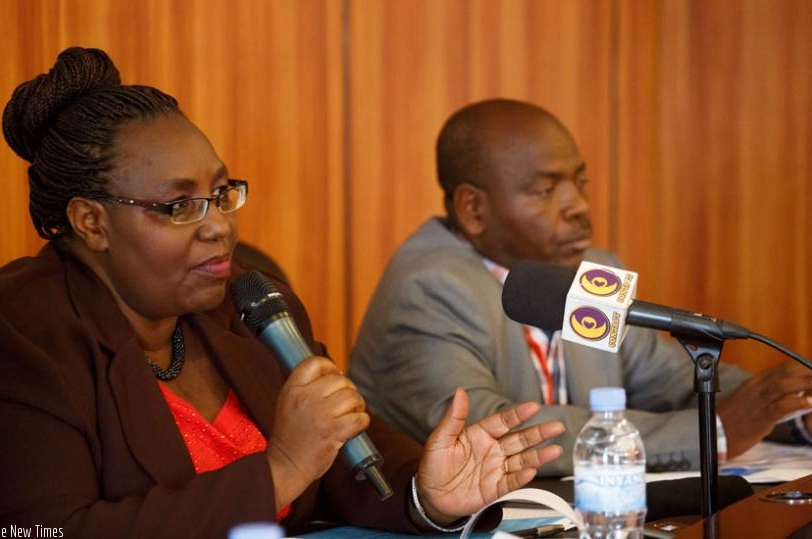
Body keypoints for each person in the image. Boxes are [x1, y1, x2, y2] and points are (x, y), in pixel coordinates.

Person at [0, 50, 567, 537]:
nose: (219, 226)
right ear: (91, 223)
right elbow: (47, 529)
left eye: (222, 194)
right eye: (180, 206)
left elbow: (347, 464)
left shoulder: (253, 307)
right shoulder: (17, 332)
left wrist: (427, 493)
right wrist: (279, 471)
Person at [348, 98, 812, 477]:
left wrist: (792, 409)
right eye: (546, 190)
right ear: (473, 209)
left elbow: (672, 382)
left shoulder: (587, 269)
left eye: (580, 182)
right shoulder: (429, 288)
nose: (579, 205)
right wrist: (713, 432)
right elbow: (496, 432)